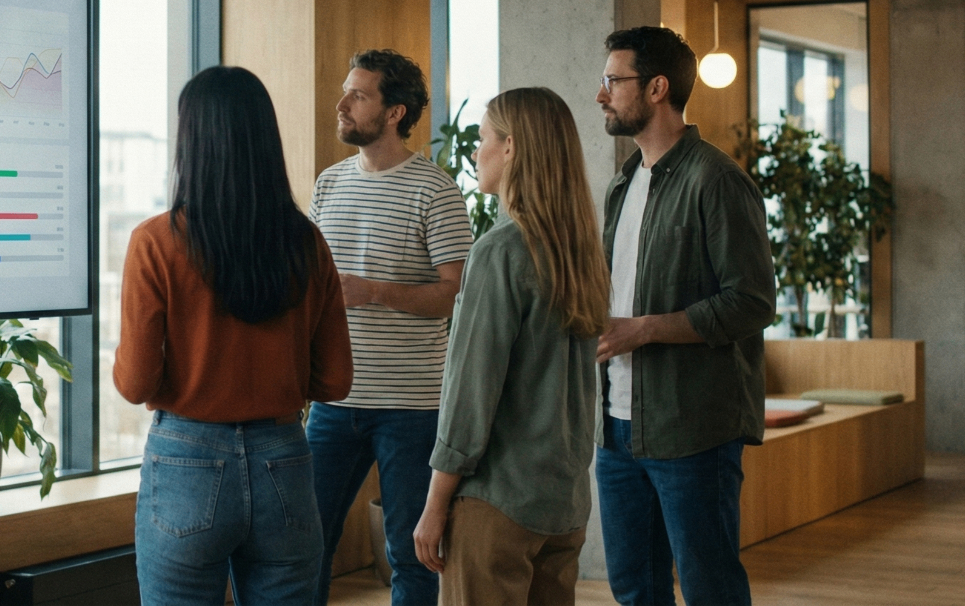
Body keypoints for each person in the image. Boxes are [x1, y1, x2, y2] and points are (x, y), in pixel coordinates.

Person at [114, 65, 355, 605]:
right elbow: (336, 380)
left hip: (184, 462)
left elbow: (134, 383)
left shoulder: (155, 243)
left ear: (190, 141)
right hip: (284, 460)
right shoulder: (305, 243)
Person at [592, 26, 777, 606]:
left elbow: (751, 301)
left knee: (710, 588)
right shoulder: (624, 183)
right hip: (615, 428)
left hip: (692, 427)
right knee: (634, 589)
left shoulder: (717, 180)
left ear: (656, 89)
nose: (601, 95)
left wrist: (644, 329)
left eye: (612, 81)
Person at [412, 87, 611, 605]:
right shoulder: (579, 251)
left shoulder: (500, 250)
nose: (474, 151)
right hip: (563, 505)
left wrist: (435, 504)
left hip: (497, 502)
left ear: (511, 148)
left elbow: (469, 394)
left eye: (482, 139)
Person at [307, 49, 472, 606]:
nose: (342, 104)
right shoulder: (327, 185)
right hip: (333, 401)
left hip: (413, 407)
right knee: (305, 546)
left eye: (358, 95)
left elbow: (457, 296)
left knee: (412, 559)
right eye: (345, 92)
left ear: (395, 112)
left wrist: (374, 291)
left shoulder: (435, 191)